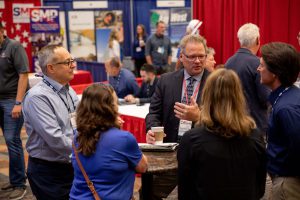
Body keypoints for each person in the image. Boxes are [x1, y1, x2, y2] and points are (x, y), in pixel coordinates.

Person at [178, 68, 266, 200]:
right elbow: (259, 188)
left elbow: (185, 191)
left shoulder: (191, 140)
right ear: (239, 96)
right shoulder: (255, 137)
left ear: (207, 96)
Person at [145, 34, 210, 199]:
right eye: (192, 56)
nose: (197, 61)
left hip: (203, 157)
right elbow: (153, 113)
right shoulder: (166, 81)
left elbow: (224, 121)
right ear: (181, 56)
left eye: (201, 56)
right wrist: (152, 130)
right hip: (170, 155)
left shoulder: (215, 82)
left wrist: (199, 117)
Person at [70, 83, 148, 199]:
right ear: (110, 107)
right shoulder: (124, 139)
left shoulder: (77, 136)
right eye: (115, 102)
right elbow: (143, 167)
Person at [22, 45, 79, 200]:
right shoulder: (37, 97)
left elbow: (80, 121)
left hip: (71, 164)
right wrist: (86, 149)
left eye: (72, 60)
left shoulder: (68, 90)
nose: (73, 65)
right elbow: (55, 138)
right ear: (51, 68)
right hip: (48, 171)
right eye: (68, 62)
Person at [257, 42, 300, 200]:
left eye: (261, 65)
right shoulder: (290, 95)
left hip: (288, 184)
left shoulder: (286, 108)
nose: (258, 69)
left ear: (275, 72)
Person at [0, 21, 28, 199]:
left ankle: (19, 183)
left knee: (12, 139)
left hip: (12, 100)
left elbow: (23, 74)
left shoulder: (14, 46)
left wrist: (18, 102)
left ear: (2, 31)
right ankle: (13, 178)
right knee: (8, 140)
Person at [225, 23, 270, 135]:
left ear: (240, 40)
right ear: (257, 40)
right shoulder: (258, 63)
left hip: (232, 125)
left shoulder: (228, 62)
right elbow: (265, 98)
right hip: (255, 126)